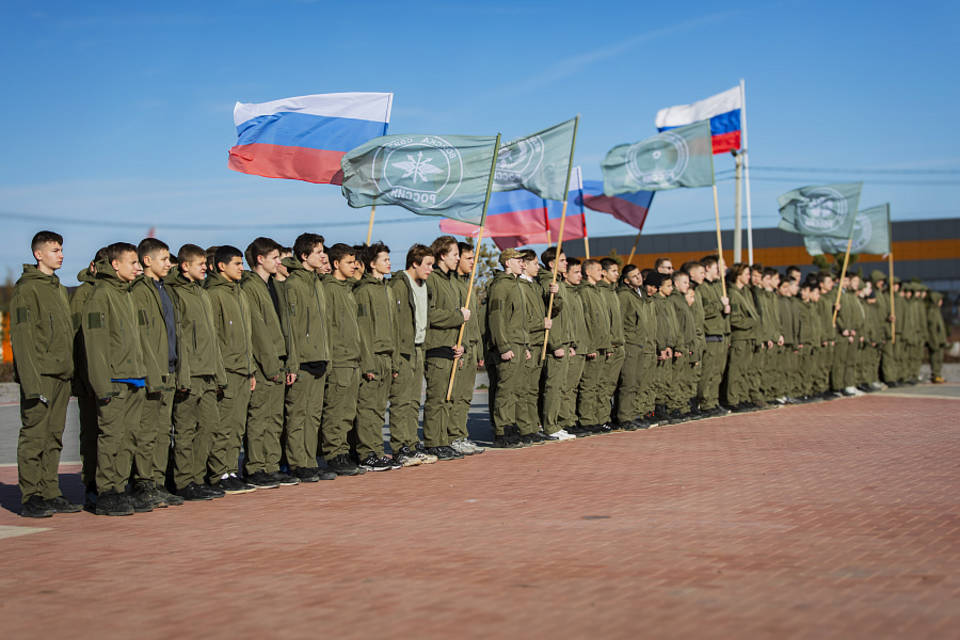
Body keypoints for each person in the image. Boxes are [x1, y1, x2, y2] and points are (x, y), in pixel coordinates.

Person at [12, 231, 80, 518]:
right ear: (38, 254)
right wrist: (31, 383)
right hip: (40, 376)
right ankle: (31, 496)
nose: (61, 255)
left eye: (61, 249)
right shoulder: (27, 289)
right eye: (55, 250)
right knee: (34, 436)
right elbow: (22, 338)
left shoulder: (58, 288)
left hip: (61, 375)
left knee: (54, 437)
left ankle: (50, 492)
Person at [83, 242, 149, 515]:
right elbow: (95, 344)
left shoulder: (128, 294)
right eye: (132, 262)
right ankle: (106, 491)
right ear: (115, 264)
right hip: (114, 380)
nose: (137, 268)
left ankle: (120, 487)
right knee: (111, 436)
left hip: (135, 377)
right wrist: (102, 385)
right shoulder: (101, 295)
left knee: (129, 436)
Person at [166, 244, 227, 501]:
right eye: (200, 264)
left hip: (209, 372)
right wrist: (183, 374)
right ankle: (183, 481)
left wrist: (220, 374)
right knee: (185, 429)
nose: (205, 268)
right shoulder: (175, 293)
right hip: (190, 373)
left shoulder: (202, 293)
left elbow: (212, 337)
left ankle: (198, 477)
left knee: (209, 426)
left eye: (205, 263)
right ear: (185, 265)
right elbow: (179, 337)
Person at [129, 238, 183, 508]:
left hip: (169, 369)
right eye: (164, 259)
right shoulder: (140, 291)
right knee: (147, 432)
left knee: (163, 432)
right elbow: (143, 336)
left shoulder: (164, 289)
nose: (169, 264)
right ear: (147, 261)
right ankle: (143, 483)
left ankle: (158, 482)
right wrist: (150, 371)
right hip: (153, 371)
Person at [241, 237, 296, 489]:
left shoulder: (272, 285)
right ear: (260, 259)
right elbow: (259, 331)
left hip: (279, 361)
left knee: (275, 418)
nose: (278, 262)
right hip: (265, 364)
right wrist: (271, 365)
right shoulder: (250, 287)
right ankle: (255, 467)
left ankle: (271, 465)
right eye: (274, 258)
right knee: (260, 417)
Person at [281, 233, 336, 482]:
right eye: (318, 252)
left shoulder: (317, 283)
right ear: (304, 256)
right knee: (298, 415)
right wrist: (293, 363)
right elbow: (291, 327)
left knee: (313, 416)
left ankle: (310, 460)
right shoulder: (294, 284)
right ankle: (298, 463)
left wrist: (327, 356)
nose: (323, 256)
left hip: (320, 358)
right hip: (302, 361)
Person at [205, 245, 259, 493]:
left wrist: (251, 370)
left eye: (241, 263)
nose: (241, 268)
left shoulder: (239, 293)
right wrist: (219, 373)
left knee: (237, 425)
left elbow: (247, 336)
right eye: (236, 264)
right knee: (224, 425)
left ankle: (230, 469)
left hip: (243, 369)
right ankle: (219, 472)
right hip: (227, 370)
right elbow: (214, 338)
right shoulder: (214, 294)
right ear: (221, 266)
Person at [353, 242, 402, 471]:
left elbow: (395, 328)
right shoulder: (363, 291)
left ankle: (377, 450)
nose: (389, 263)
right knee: (368, 408)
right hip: (372, 356)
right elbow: (363, 330)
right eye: (384, 259)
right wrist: (368, 363)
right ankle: (367, 453)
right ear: (372, 264)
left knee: (380, 408)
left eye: (389, 259)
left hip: (387, 356)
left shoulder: (388, 290)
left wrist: (395, 361)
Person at [388, 244, 438, 466]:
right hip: (403, 350)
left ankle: (412, 443)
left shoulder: (424, 285)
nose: (430, 269)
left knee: (413, 401)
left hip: (419, 348)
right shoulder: (400, 285)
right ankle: (400, 448)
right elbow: (395, 321)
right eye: (427, 264)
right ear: (414, 263)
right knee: (401, 400)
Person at [422, 236, 470, 460]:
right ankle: (433, 442)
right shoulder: (432, 280)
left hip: (451, 347)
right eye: (454, 254)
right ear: (442, 255)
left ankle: (443, 440)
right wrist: (457, 316)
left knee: (447, 398)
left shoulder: (450, 281)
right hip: (437, 346)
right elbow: (430, 314)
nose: (458, 258)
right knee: (437, 398)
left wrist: (461, 345)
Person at [320, 243, 366, 475]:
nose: (354, 266)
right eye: (349, 262)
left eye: (355, 262)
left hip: (352, 358)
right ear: (336, 264)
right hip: (339, 360)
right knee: (336, 410)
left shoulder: (347, 289)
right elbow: (328, 326)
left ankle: (343, 451)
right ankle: (334, 453)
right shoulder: (329, 289)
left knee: (348, 411)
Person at [70, 247, 107, 508]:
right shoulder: (85, 294)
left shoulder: (118, 291)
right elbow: (78, 338)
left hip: (112, 376)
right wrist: (85, 378)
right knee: (92, 434)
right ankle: (92, 485)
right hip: (89, 378)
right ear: (94, 266)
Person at [486, 248, 529, 447]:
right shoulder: (501, 286)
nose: (522, 264)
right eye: (518, 260)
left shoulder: (516, 285)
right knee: (505, 390)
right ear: (507, 262)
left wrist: (525, 345)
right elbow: (496, 317)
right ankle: (502, 431)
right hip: (508, 344)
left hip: (518, 343)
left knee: (515, 389)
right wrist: (503, 346)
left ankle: (511, 426)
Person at [449, 242, 486, 453]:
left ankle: (461, 434)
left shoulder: (468, 284)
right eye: (468, 258)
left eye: (474, 258)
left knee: (465, 396)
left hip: (472, 347)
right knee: (456, 395)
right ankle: (453, 436)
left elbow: (475, 322)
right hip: (460, 347)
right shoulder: (453, 284)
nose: (473, 262)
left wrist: (478, 350)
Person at [537, 247, 576, 440]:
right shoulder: (548, 282)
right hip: (556, 344)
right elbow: (550, 313)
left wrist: (571, 342)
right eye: (562, 260)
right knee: (553, 387)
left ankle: (554, 423)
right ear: (552, 264)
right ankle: (550, 426)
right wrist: (555, 344)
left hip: (564, 341)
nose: (566, 263)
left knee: (560, 386)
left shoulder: (560, 283)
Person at [517, 249, 552, 444]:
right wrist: (541, 324)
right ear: (525, 264)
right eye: (535, 264)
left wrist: (554, 294)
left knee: (533, 389)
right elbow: (522, 320)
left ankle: (532, 426)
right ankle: (525, 427)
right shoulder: (520, 287)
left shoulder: (535, 286)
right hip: (529, 342)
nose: (539, 267)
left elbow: (553, 308)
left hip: (539, 342)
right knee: (525, 389)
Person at [616, 264, 657, 429]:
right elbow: (620, 320)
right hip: (630, 343)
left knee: (638, 381)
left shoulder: (641, 294)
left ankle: (634, 413)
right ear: (626, 280)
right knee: (629, 382)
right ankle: (624, 417)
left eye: (639, 274)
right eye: (634, 276)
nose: (638, 277)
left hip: (642, 343)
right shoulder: (624, 295)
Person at [576, 259, 612, 434]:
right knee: (588, 385)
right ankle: (587, 420)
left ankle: (598, 419)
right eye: (598, 269)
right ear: (588, 272)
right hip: (593, 346)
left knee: (599, 385)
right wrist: (590, 346)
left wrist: (608, 344)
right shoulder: (585, 291)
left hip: (602, 345)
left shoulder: (597, 291)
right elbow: (586, 321)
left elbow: (603, 321)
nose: (602, 272)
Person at [697, 255, 730, 417]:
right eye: (718, 266)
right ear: (708, 267)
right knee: (708, 372)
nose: (721, 269)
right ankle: (705, 402)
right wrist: (720, 305)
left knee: (718, 372)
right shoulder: (701, 288)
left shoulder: (718, 286)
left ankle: (713, 400)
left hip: (721, 333)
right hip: (710, 333)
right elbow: (703, 311)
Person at [725, 264, 759, 411]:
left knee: (745, 370)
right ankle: (733, 400)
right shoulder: (733, 294)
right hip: (740, 337)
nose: (749, 277)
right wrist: (752, 321)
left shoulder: (746, 292)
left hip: (749, 336)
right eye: (746, 274)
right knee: (736, 370)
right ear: (738, 275)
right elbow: (735, 319)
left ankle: (743, 397)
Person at [598, 258, 625, 428]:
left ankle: (606, 416)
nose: (617, 274)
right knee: (604, 384)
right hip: (610, 345)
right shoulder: (601, 292)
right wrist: (608, 343)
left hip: (618, 343)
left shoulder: (613, 291)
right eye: (613, 271)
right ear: (604, 272)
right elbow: (603, 321)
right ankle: (601, 419)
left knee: (611, 385)